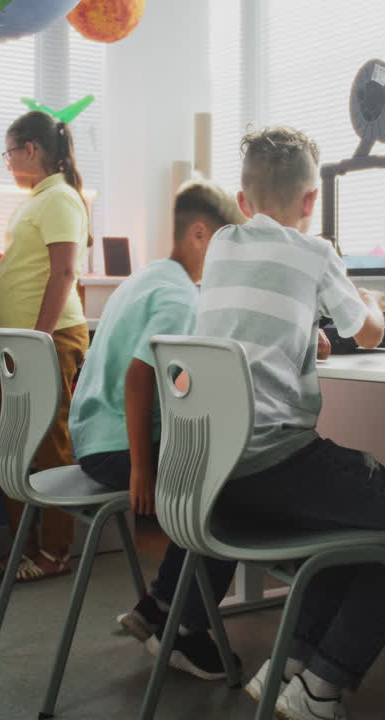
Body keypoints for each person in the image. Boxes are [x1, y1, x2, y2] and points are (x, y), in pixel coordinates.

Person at [197, 126, 385, 720]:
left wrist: (306, 332)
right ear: (312, 202)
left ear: (245, 200)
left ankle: (286, 666)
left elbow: (256, 325)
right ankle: (322, 688)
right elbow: (368, 333)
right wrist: (372, 305)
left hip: (216, 478)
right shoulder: (316, 252)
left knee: (355, 529)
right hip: (274, 469)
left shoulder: (222, 245)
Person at [69, 178, 247, 680]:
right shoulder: (179, 299)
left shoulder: (148, 278)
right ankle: (185, 631)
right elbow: (138, 375)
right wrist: (143, 468)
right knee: (224, 485)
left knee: (209, 471)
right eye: (227, 246)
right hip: (117, 448)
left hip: (91, 437)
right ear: (199, 234)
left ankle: (157, 607)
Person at [0, 110, 92, 581]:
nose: (8, 163)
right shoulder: (38, 198)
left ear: (31, 150)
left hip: (49, 339)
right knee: (16, 442)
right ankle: (23, 548)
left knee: (51, 441)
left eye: (10, 152)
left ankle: (56, 550)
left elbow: (64, 272)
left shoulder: (59, 199)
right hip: (28, 342)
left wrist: (39, 338)